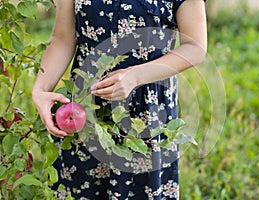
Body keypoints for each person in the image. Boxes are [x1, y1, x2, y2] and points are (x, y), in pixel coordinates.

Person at [32, 0, 207, 199]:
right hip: (86, 109)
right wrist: (40, 90)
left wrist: (135, 76)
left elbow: (195, 47)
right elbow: (63, 38)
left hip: (146, 115)